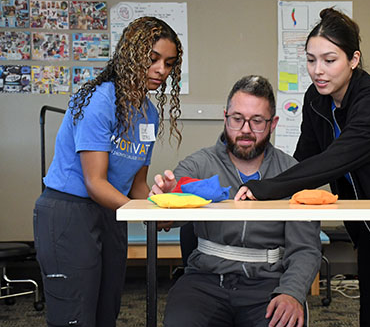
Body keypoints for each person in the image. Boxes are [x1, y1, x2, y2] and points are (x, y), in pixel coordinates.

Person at [235, 8, 370, 327]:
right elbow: (304, 160)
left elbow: (334, 160)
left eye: (329, 60)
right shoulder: (316, 99)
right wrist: (259, 186)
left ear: (354, 59)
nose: (318, 70)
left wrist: (263, 190)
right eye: (311, 60)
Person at [33, 16, 183, 327]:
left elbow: (137, 185)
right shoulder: (99, 100)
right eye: (153, 59)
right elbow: (95, 182)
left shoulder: (149, 114)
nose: (161, 70)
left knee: (106, 313)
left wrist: (159, 209)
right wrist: (144, 212)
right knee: (74, 317)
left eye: (168, 63)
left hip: (112, 213)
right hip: (69, 212)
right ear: (131, 54)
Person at [150, 75, 322, 327]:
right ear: (225, 117)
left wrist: (291, 292)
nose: (245, 130)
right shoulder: (198, 164)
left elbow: (305, 248)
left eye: (257, 121)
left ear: (273, 123)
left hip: (268, 284)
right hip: (204, 281)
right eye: (237, 119)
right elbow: (165, 218)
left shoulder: (292, 173)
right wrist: (163, 205)